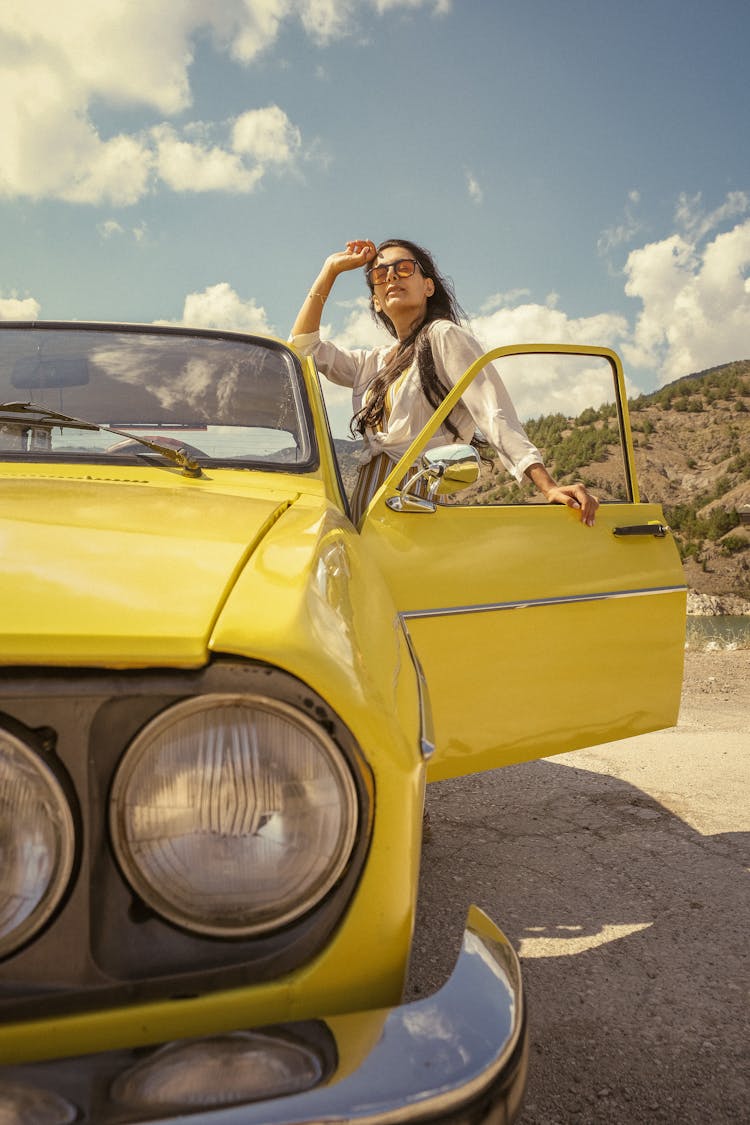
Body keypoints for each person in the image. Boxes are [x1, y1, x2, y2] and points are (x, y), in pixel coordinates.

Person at [290, 238, 599, 526]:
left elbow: (493, 412)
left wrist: (548, 486)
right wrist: (330, 269)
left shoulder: (443, 336)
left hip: (417, 511)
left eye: (404, 268)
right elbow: (303, 348)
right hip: (366, 518)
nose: (392, 277)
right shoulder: (372, 363)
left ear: (428, 287)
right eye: (380, 274)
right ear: (376, 302)